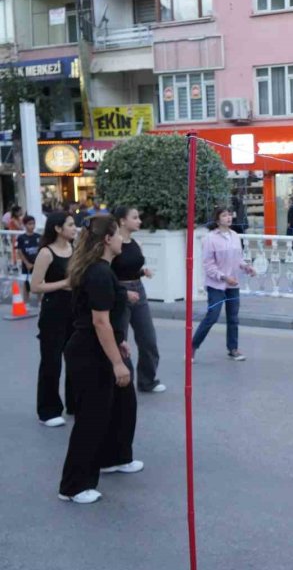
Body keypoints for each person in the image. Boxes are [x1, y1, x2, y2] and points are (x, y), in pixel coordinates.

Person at [59, 215, 141, 504]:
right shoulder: (99, 273)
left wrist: (119, 342)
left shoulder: (99, 270)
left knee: (103, 414)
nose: (122, 240)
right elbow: (99, 322)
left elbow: (100, 320)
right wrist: (117, 363)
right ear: (107, 239)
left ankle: (103, 464)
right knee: (91, 420)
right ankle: (73, 486)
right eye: (117, 234)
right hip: (89, 353)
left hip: (93, 348)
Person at [191, 207, 256, 362]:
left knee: (233, 318)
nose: (228, 218)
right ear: (217, 219)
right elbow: (208, 266)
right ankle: (192, 347)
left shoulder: (234, 236)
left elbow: (238, 259)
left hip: (233, 285)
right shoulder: (210, 239)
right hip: (217, 285)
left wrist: (247, 267)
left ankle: (233, 349)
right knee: (212, 316)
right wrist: (224, 277)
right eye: (224, 215)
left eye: (229, 215)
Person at [112, 207, 166, 394]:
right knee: (121, 341)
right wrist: (123, 293)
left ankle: (147, 380)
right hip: (120, 294)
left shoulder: (136, 243)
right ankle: (124, 383)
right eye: (134, 218)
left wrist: (143, 272)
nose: (139, 221)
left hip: (139, 291)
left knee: (148, 338)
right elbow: (109, 273)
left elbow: (131, 267)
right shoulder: (112, 244)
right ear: (122, 221)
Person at [30, 212, 77, 427]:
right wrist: (63, 283)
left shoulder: (74, 249)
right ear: (57, 229)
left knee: (76, 359)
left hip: (74, 310)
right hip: (53, 312)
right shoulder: (46, 253)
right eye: (70, 224)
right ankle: (48, 411)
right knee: (52, 361)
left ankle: (74, 403)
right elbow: (36, 286)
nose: (74, 227)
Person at [16, 215, 40, 301]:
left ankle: (40, 303)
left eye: (33, 224)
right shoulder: (21, 238)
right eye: (30, 224)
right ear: (25, 225)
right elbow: (20, 251)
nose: (32, 226)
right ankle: (25, 303)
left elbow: (41, 250)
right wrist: (26, 263)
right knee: (26, 285)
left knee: (39, 283)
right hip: (27, 265)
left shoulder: (38, 236)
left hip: (37, 264)